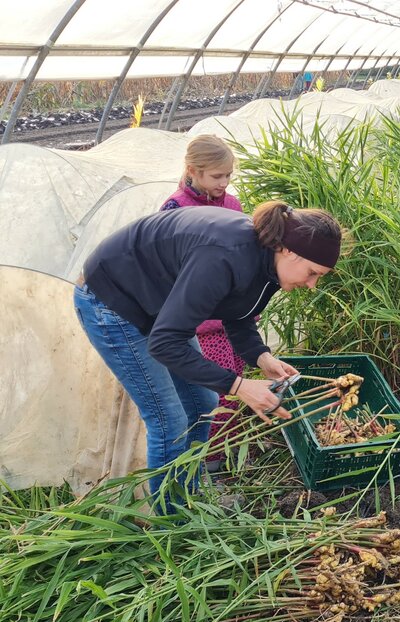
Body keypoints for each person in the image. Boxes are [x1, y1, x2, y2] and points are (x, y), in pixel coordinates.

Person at [74, 201, 346, 510]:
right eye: (312, 273)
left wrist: (261, 356)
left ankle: (189, 494)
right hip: (112, 301)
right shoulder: (223, 255)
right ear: (289, 251)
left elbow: (238, 312)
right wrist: (239, 386)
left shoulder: (268, 262)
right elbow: (165, 343)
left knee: (203, 403)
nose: (312, 285)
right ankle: (171, 520)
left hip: (161, 305)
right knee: (169, 420)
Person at [160, 135, 246, 466]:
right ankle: (207, 461)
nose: (223, 183)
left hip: (230, 316)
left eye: (228, 176)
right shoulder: (176, 209)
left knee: (235, 383)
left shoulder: (232, 205)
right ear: (194, 171)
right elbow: (171, 271)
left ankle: (228, 452)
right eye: (216, 177)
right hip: (200, 323)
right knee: (213, 392)